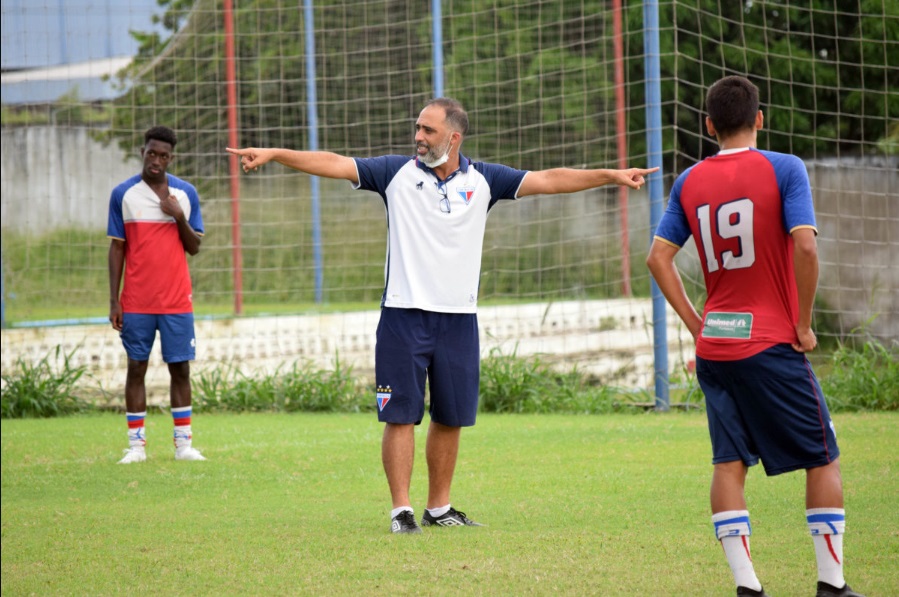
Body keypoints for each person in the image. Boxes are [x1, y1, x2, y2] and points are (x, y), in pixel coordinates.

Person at [227, 97, 656, 534]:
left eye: (428, 130)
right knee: (400, 415)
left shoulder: (485, 179)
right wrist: (276, 154)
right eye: (417, 128)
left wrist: (612, 176)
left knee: (451, 416)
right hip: (402, 316)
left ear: (454, 137)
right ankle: (401, 512)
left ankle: (439, 508)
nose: (418, 137)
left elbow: (549, 179)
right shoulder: (393, 173)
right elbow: (334, 163)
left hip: (458, 320)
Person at [646, 76, 863, 597]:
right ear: (759, 119)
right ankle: (831, 585)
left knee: (727, 462)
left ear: (709, 126)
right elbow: (806, 249)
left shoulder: (690, 181)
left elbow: (657, 257)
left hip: (715, 347)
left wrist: (697, 324)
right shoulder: (784, 168)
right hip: (771, 341)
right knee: (823, 455)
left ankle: (748, 587)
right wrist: (805, 324)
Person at [108, 125, 207, 464]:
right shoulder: (123, 194)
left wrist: (178, 215)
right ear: (143, 151)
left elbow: (194, 246)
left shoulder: (185, 194)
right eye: (152, 153)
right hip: (136, 301)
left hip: (177, 300)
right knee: (136, 367)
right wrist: (114, 300)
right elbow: (117, 249)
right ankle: (136, 447)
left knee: (180, 369)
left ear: (171, 158)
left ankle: (184, 446)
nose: (156, 160)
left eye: (163, 155)